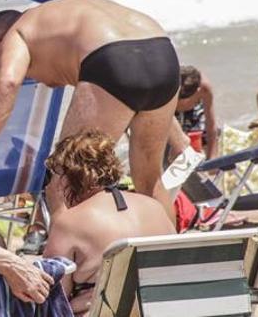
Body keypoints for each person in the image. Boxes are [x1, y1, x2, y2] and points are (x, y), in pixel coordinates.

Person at [0, 0, 180, 223]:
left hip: (111, 57)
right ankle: (170, 259)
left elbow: (6, 85)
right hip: (162, 50)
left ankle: (65, 259)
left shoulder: (16, 34)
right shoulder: (53, 19)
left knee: (63, 180)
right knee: (150, 181)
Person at [42, 130, 175, 315]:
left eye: (57, 174)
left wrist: (56, 211)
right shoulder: (155, 208)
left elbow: (53, 297)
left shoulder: (69, 223)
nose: (55, 185)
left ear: (71, 175)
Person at [167, 65, 218, 159]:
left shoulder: (204, 88)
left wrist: (212, 156)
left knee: (201, 137)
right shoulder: (168, 86)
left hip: (194, 108)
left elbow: (211, 124)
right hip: (167, 106)